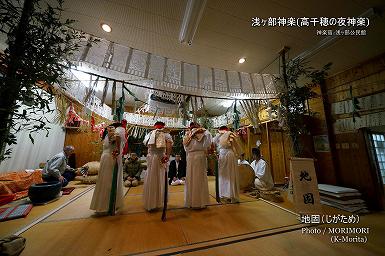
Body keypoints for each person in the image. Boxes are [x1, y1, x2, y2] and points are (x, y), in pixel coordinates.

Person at [90, 122, 126, 214]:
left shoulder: (107, 134)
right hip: (112, 157)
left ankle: (102, 204)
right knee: (109, 181)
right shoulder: (118, 131)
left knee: (104, 180)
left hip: (105, 157)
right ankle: (108, 205)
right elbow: (118, 137)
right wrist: (118, 150)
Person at [142, 121, 173, 211]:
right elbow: (169, 144)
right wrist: (168, 155)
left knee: (151, 177)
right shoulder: (166, 134)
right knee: (160, 177)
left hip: (151, 157)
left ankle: (151, 201)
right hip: (160, 157)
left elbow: (148, 147)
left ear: (155, 126)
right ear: (163, 126)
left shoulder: (150, 134)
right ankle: (159, 200)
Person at [183, 122, 212, 209]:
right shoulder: (204, 133)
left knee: (191, 178)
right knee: (200, 178)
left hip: (190, 157)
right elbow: (208, 144)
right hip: (200, 156)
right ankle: (200, 202)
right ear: (198, 126)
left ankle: (191, 201)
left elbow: (185, 149)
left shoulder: (187, 135)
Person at [213, 126, 242, 203]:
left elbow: (214, 142)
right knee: (228, 175)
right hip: (226, 155)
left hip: (226, 155)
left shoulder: (224, 135)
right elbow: (237, 146)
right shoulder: (228, 134)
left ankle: (228, 195)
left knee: (228, 175)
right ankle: (227, 194)